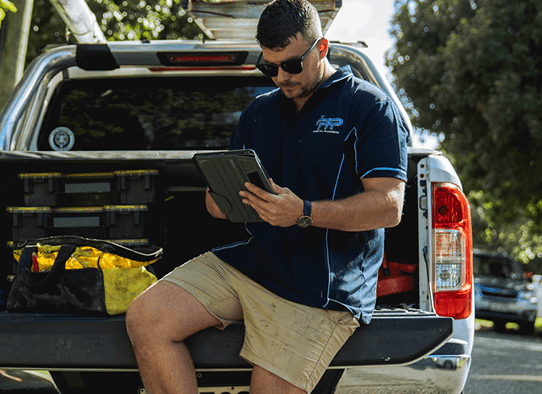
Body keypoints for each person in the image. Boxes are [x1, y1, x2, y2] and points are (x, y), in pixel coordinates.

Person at [125, 0, 410, 392]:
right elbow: (218, 205)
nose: (281, 77)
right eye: (269, 67)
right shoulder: (257, 113)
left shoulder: (369, 106)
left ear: (322, 48)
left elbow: (390, 205)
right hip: (254, 263)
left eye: (292, 64)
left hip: (324, 288)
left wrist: (304, 213)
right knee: (146, 317)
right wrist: (223, 200)